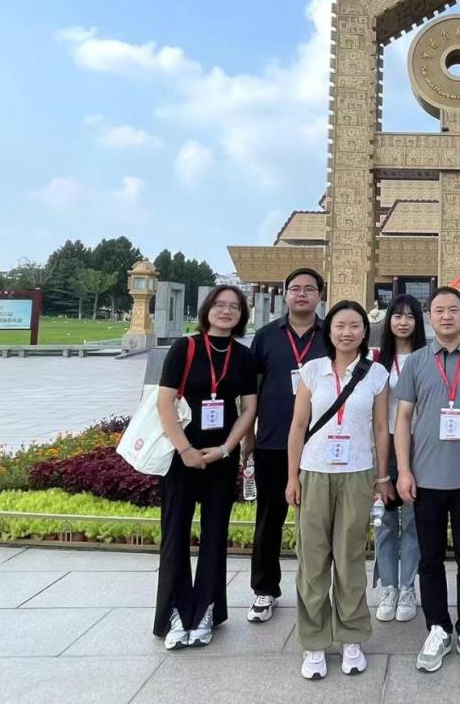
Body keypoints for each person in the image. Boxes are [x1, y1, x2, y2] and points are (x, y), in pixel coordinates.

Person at [394, 286, 460, 675]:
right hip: (426, 478)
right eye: (438, 310)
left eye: (453, 309)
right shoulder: (416, 362)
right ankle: (437, 627)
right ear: (430, 315)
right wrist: (404, 470)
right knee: (430, 558)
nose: (446, 316)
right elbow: (403, 419)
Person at [286, 300, 392, 680]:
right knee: (313, 560)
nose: (347, 332)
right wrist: (292, 477)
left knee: (350, 559)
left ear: (365, 331)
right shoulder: (312, 370)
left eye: (354, 326)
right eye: (340, 325)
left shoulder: (376, 373)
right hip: (315, 471)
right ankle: (314, 641)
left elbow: (380, 428)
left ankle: (351, 636)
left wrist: (382, 477)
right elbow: (298, 426)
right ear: (328, 331)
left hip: (357, 473)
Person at [154, 286, 258, 650]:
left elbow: (248, 408)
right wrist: (185, 449)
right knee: (175, 535)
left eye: (234, 307)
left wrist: (227, 448)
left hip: (220, 457)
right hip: (181, 455)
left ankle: (206, 612)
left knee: (215, 535)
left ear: (242, 315)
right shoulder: (184, 348)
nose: (226, 311)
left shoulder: (244, 356)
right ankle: (175, 613)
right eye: (220, 305)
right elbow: (164, 402)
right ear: (207, 310)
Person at [245, 268, 327, 623]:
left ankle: (317, 593)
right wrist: (248, 437)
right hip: (273, 441)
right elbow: (252, 392)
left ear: (320, 295)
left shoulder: (331, 334)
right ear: (285, 294)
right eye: (295, 288)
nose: (302, 294)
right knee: (269, 519)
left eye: (309, 289)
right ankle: (265, 589)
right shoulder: (266, 336)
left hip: (321, 444)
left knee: (319, 524)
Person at [372, 294, 426, 623]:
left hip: (421, 445)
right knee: (386, 521)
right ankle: (388, 586)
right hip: (386, 445)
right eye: (397, 315)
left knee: (414, 520)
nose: (403, 322)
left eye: (409, 316)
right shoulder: (376, 361)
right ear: (388, 320)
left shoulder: (427, 358)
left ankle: (408, 586)